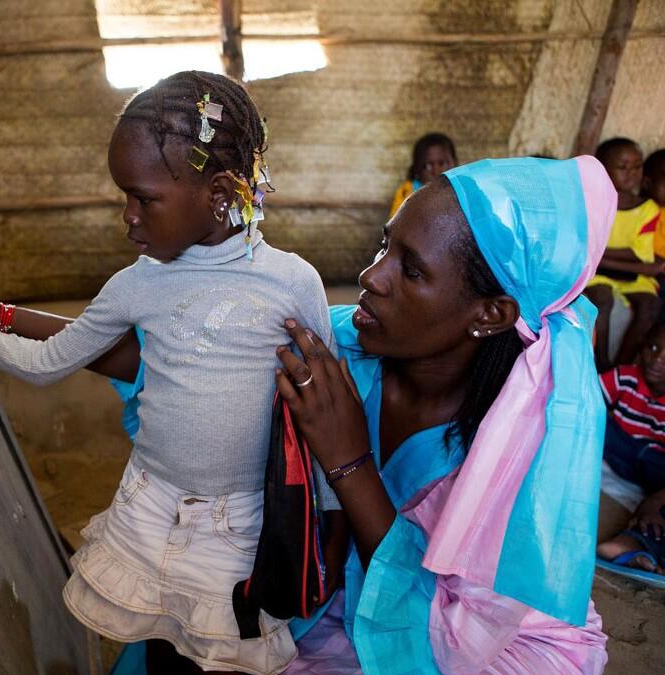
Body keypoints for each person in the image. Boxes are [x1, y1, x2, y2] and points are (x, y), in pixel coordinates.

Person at [0, 71, 340, 674]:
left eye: (143, 198)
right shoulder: (138, 283)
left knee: (222, 654)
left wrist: (325, 527)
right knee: (161, 648)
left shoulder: (295, 284)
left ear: (217, 194)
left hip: (239, 527)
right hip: (149, 507)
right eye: (123, 197)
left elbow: (325, 414)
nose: (127, 218)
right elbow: (49, 362)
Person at [276, 156, 612, 673]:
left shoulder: (520, 440)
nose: (370, 276)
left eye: (409, 269)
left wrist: (348, 461)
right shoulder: (338, 347)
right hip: (351, 590)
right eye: (384, 245)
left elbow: (447, 642)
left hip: (467, 632)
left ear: (489, 314)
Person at [584, 138, 663, 371]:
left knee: (649, 305)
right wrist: (625, 258)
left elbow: (640, 255)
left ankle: (621, 366)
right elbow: (635, 257)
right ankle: (600, 362)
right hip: (600, 275)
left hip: (627, 277)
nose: (632, 173)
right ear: (602, 169)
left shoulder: (648, 210)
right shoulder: (594, 202)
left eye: (637, 166)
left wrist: (598, 254)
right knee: (602, 298)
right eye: (623, 167)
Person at [596, 322, 665, 575]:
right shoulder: (625, 377)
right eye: (653, 347)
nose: (656, 360)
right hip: (621, 450)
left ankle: (636, 545)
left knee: (658, 513)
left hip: (658, 471)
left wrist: (654, 502)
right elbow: (586, 399)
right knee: (592, 413)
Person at [388, 133, 457, 219]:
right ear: (417, 169)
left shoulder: (460, 189)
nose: (436, 171)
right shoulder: (407, 192)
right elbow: (395, 224)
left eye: (442, 163)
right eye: (427, 166)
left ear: (454, 163)